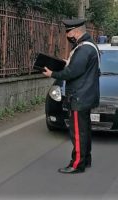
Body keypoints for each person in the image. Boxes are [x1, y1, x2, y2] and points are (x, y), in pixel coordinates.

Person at [42, 19, 100, 174]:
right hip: (85, 95)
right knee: (85, 130)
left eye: (68, 31)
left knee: (78, 133)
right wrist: (68, 62)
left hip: (79, 97)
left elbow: (72, 72)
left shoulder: (84, 49)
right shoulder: (89, 46)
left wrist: (52, 73)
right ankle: (86, 159)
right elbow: (80, 67)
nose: (67, 34)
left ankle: (77, 164)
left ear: (75, 31)